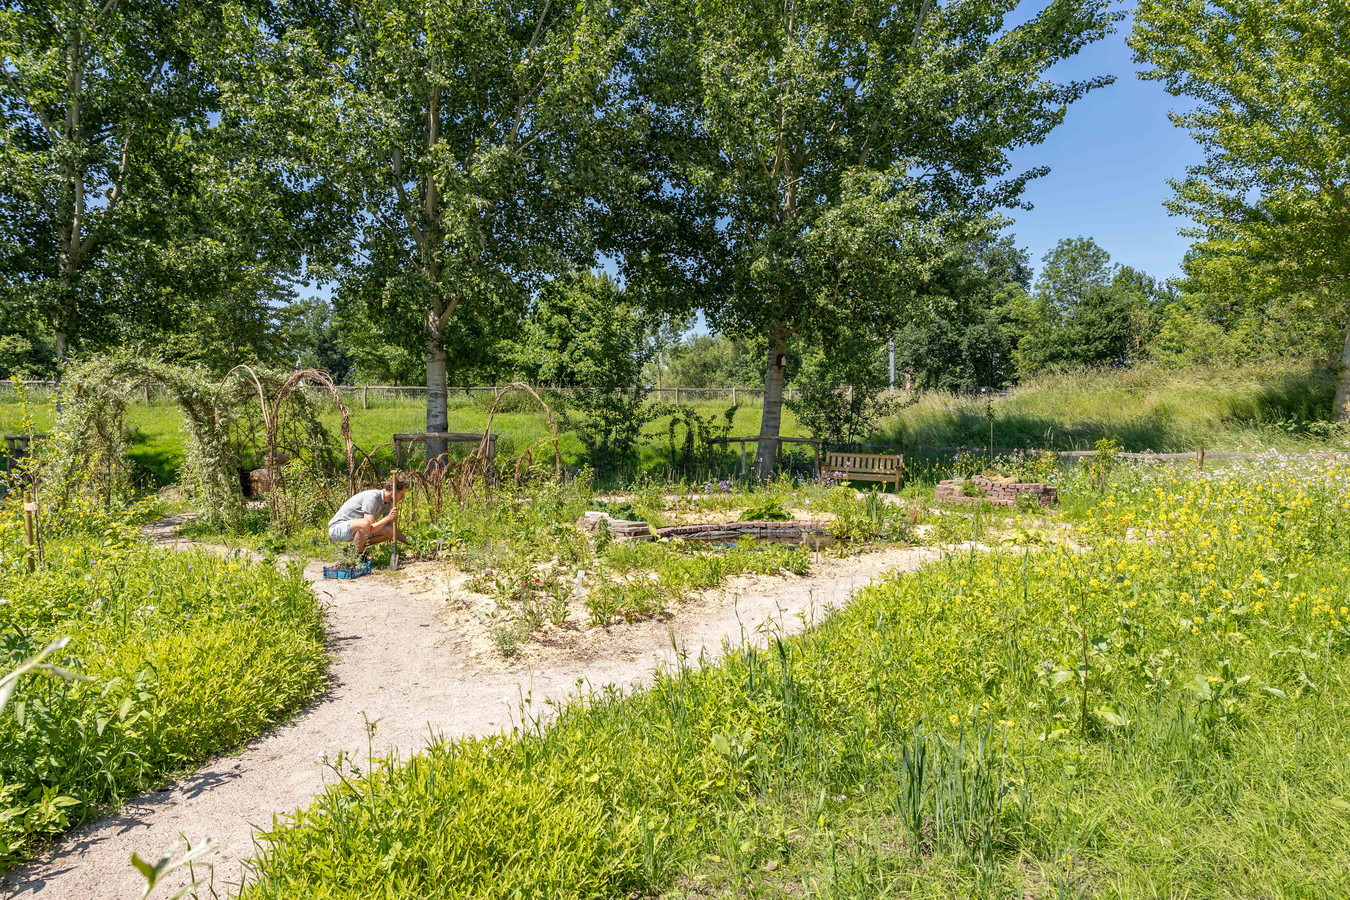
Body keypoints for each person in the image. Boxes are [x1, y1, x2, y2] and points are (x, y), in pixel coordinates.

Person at [328, 476, 407, 552]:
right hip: (337, 529)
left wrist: (410, 543)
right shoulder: (373, 498)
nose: (402, 498)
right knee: (365, 524)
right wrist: (388, 518)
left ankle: (352, 550)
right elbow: (370, 528)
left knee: (389, 531)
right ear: (393, 491)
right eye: (402, 495)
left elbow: (392, 528)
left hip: (357, 530)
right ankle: (357, 556)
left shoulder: (389, 503)